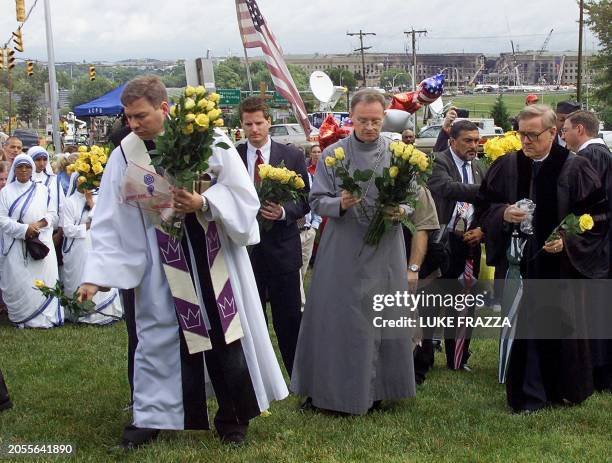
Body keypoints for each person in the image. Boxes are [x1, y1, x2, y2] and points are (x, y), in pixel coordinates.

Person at [78, 76, 287, 448]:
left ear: (164, 108)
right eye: (128, 117)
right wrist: (97, 275)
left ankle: (233, 418)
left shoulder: (210, 137)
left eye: (140, 116)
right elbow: (112, 218)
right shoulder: (125, 154)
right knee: (158, 339)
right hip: (162, 260)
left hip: (213, 253)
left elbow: (242, 194)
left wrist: (204, 203)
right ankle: (151, 417)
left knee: (226, 334)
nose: (133, 124)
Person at [291, 89, 421, 415]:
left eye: (376, 121)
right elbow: (316, 199)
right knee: (337, 317)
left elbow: (414, 197)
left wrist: (401, 210)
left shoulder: (398, 154)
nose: (369, 127)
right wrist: (340, 203)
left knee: (381, 316)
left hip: (385, 249)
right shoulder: (333, 154)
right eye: (363, 121)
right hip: (343, 247)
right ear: (351, 118)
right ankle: (328, 390)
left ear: (384, 119)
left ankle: (379, 389)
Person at [478, 104, 609, 412]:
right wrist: (503, 213)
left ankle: (561, 388)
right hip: (519, 262)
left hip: (559, 268)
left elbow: (599, 215)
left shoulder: (576, 168)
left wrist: (567, 240)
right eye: (522, 134)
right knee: (525, 329)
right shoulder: (507, 165)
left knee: (558, 325)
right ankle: (528, 395)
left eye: (533, 135)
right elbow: (484, 205)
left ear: (553, 133)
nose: (526, 141)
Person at [235, 96, 310, 377]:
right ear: (241, 125)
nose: (254, 129)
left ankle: (298, 375)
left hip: (282, 250)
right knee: (251, 319)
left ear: (269, 122)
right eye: (248, 124)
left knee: (289, 318)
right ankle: (255, 376)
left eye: (259, 123)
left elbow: (305, 200)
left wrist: (282, 211)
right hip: (245, 252)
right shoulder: (233, 155)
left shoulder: (291, 156)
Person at [427, 120, 485, 371]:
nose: (474, 145)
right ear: (452, 141)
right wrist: (487, 190)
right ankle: (423, 357)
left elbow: (486, 206)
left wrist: (481, 230)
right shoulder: (438, 162)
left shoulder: (480, 167)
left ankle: (458, 359)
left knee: (464, 303)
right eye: (468, 141)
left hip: (469, 241)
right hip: (440, 241)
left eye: (477, 140)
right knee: (431, 301)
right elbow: (446, 188)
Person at [562, 109, 612, 392]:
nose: (564, 135)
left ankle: (595, 372)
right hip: (601, 243)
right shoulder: (601, 154)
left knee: (593, 310)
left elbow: (587, 208)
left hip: (595, 245)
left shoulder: (589, 157)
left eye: (566, 129)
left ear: (580, 129)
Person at [0, 154, 62, 328]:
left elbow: (52, 215)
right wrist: (24, 229)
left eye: (27, 166)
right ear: (15, 169)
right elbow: (2, 219)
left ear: (32, 169)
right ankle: (23, 317)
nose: (24, 170)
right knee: (19, 280)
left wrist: (38, 225)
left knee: (44, 280)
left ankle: (45, 318)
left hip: (40, 241)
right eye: (20, 167)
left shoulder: (43, 190)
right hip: (15, 245)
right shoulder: (6, 192)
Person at [61, 173, 123, 325]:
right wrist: (87, 226)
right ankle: (80, 312)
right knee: (81, 275)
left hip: (98, 245)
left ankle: (104, 313)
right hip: (78, 249)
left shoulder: (99, 199)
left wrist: (91, 203)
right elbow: (68, 229)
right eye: (80, 181)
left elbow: (107, 220)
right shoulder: (69, 202)